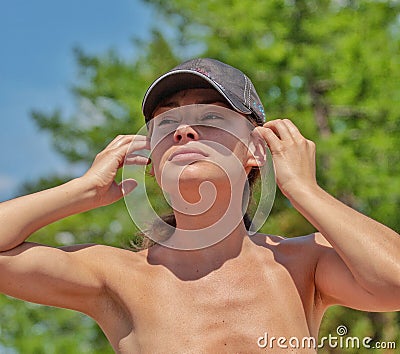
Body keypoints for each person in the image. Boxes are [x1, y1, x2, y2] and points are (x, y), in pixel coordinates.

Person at [0, 58, 399, 353]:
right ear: (152, 165)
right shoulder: (115, 276)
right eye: (165, 123)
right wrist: (83, 189)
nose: (184, 130)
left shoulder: (304, 264)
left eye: (210, 116)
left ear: (257, 149)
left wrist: (305, 191)